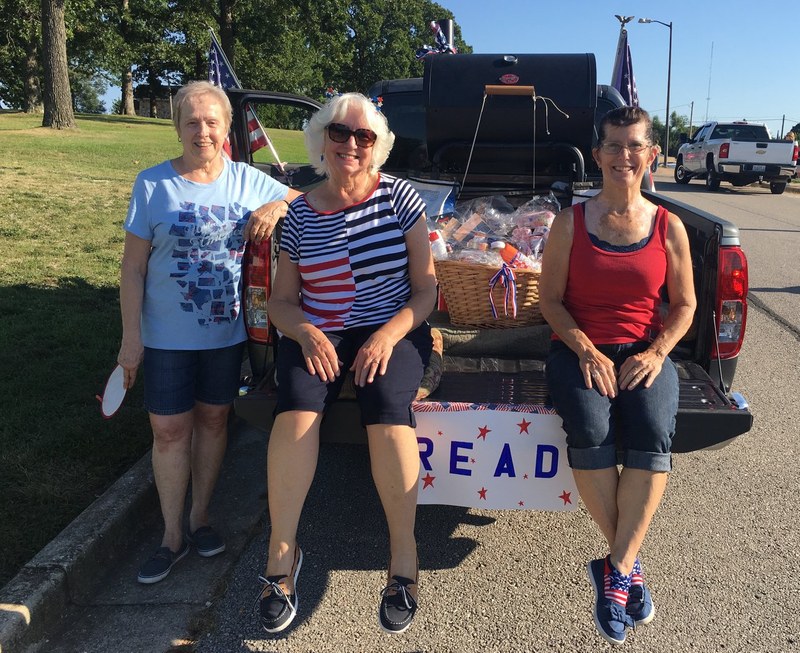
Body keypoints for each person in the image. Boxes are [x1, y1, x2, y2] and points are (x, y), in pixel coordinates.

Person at [256, 92, 437, 635]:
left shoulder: (402, 199)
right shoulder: (297, 216)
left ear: (378, 145)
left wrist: (387, 336)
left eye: (364, 137)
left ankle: (403, 560)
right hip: (318, 331)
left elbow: (426, 290)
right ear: (321, 141)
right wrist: (308, 332)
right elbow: (281, 301)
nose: (352, 145)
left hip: (392, 328)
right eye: (340, 133)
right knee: (297, 413)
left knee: (387, 410)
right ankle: (281, 561)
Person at [118, 80, 301, 585]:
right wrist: (130, 337)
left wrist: (276, 207)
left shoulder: (247, 179)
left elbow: (308, 201)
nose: (202, 131)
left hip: (225, 334)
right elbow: (132, 269)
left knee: (214, 423)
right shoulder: (152, 185)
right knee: (169, 430)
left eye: (211, 122)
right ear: (177, 127)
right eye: (191, 122)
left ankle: (200, 519)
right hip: (164, 337)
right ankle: (170, 536)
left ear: (226, 129)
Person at [539, 106, 696, 645]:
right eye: (612, 145)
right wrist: (583, 349)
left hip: (644, 353)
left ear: (652, 154)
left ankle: (616, 567)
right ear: (598, 153)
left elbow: (684, 306)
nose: (623, 156)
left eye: (634, 146)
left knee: (653, 431)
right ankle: (626, 569)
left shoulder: (669, 227)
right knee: (590, 427)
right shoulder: (570, 223)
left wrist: (657, 353)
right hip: (580, 350)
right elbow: (551, 301)